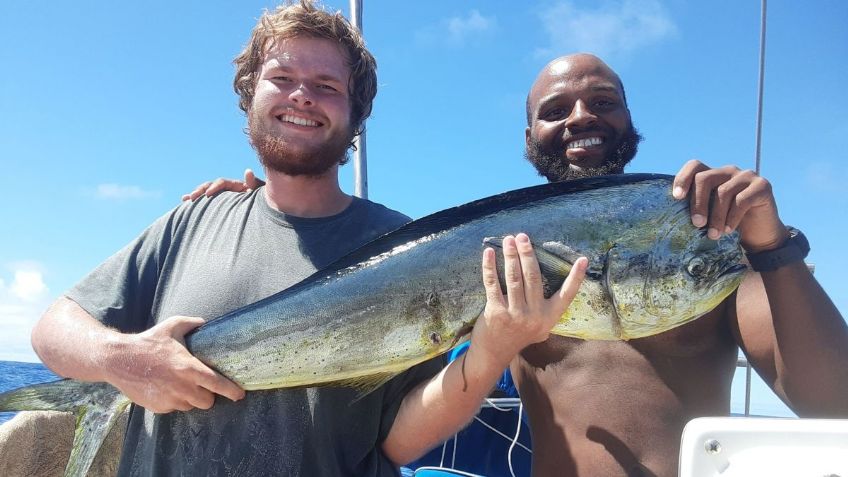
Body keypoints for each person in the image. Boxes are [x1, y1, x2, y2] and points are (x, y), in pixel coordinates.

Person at [195, 53, 848, 477]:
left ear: (629, 121)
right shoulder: (492, 253)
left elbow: (833, 403)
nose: (581, 116)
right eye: (555, 110)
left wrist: (772, 244)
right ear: (530, 137)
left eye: (602, 101)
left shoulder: (702, 232)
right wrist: (271, 205)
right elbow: (374, 308)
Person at [28, 3, 589, 476]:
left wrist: (493, 349)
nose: (302, 96)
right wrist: (121, 357)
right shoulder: (191, 220)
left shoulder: (408, 245)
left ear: (355, 114)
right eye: (282, 78)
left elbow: (398, 441)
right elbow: (53, 332)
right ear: (250, 95)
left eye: (326, 86)